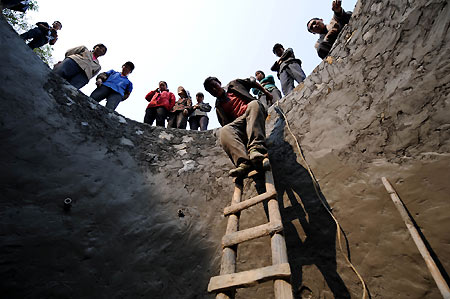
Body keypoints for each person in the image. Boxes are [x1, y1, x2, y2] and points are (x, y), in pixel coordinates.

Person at [204, 76, 273, 177]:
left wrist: (266, 93)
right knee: (224, 130)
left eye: (214, 86)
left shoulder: (234, 84)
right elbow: (225, 124)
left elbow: (252, 82)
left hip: (252, 112)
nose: (214, 90)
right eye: (210, 90)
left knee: (254, 104)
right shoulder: (218, 106)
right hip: (239, 123)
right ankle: (243, 163)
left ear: (219, 82)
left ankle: (256, 149)